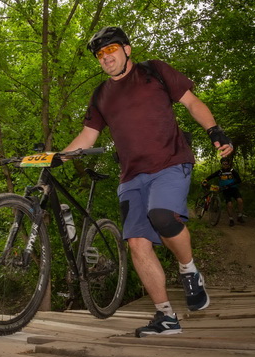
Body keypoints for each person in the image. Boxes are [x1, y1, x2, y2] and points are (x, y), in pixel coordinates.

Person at [62, 27, 233, 337]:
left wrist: (214, 130)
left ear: (127, 49)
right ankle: (166, 317)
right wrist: (57, 157)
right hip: (130, 176)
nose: (105, 57)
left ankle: (188, 269)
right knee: (137, 244)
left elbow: (192, 102)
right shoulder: (100, 95)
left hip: (171, 162)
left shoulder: (154, 71)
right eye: (99, 54)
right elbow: (87, 136)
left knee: (162, 216)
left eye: (110, 49)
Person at [203, 158, 245, 226]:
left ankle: (240, 216)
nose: (225, 165)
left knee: (240, 201)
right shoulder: (220, 172)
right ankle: (231, 219)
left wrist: (229, 185)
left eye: (226, 164)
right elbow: (211, 176)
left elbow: (239, 180)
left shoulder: (232, 171)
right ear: (222, 164)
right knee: (229, 204)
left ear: (229, 164)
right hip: (225, 190)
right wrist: (205, 180)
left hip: (234, 189)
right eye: (223, 164)